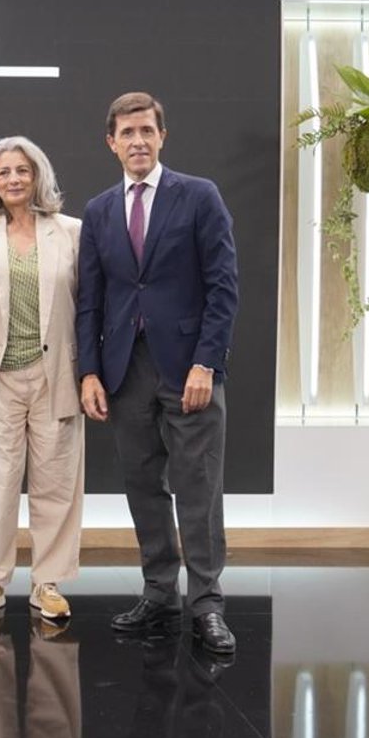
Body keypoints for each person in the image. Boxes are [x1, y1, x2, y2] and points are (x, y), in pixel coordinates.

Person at [75, 91, 240, 655]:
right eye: (127, 133)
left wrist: (206, 362)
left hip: (189, 367)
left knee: (199, 488)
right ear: (111, 142)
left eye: (147, 130)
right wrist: (89, 372)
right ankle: (159, 593)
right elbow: (90, 300)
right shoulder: (99, 211)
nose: (138, 141)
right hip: (126, 370)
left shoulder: (198, 196)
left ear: (162, 136)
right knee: (144, 485)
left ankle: (207, 604)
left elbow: (223, 287)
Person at [0, 136, 84, 622]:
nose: (14, 179)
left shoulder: (70, 231)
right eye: (4, 172)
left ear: (37, 175)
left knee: (57, 484)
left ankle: (48, 583)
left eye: (22, 170)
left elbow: (88, 305)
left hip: (55, 376)